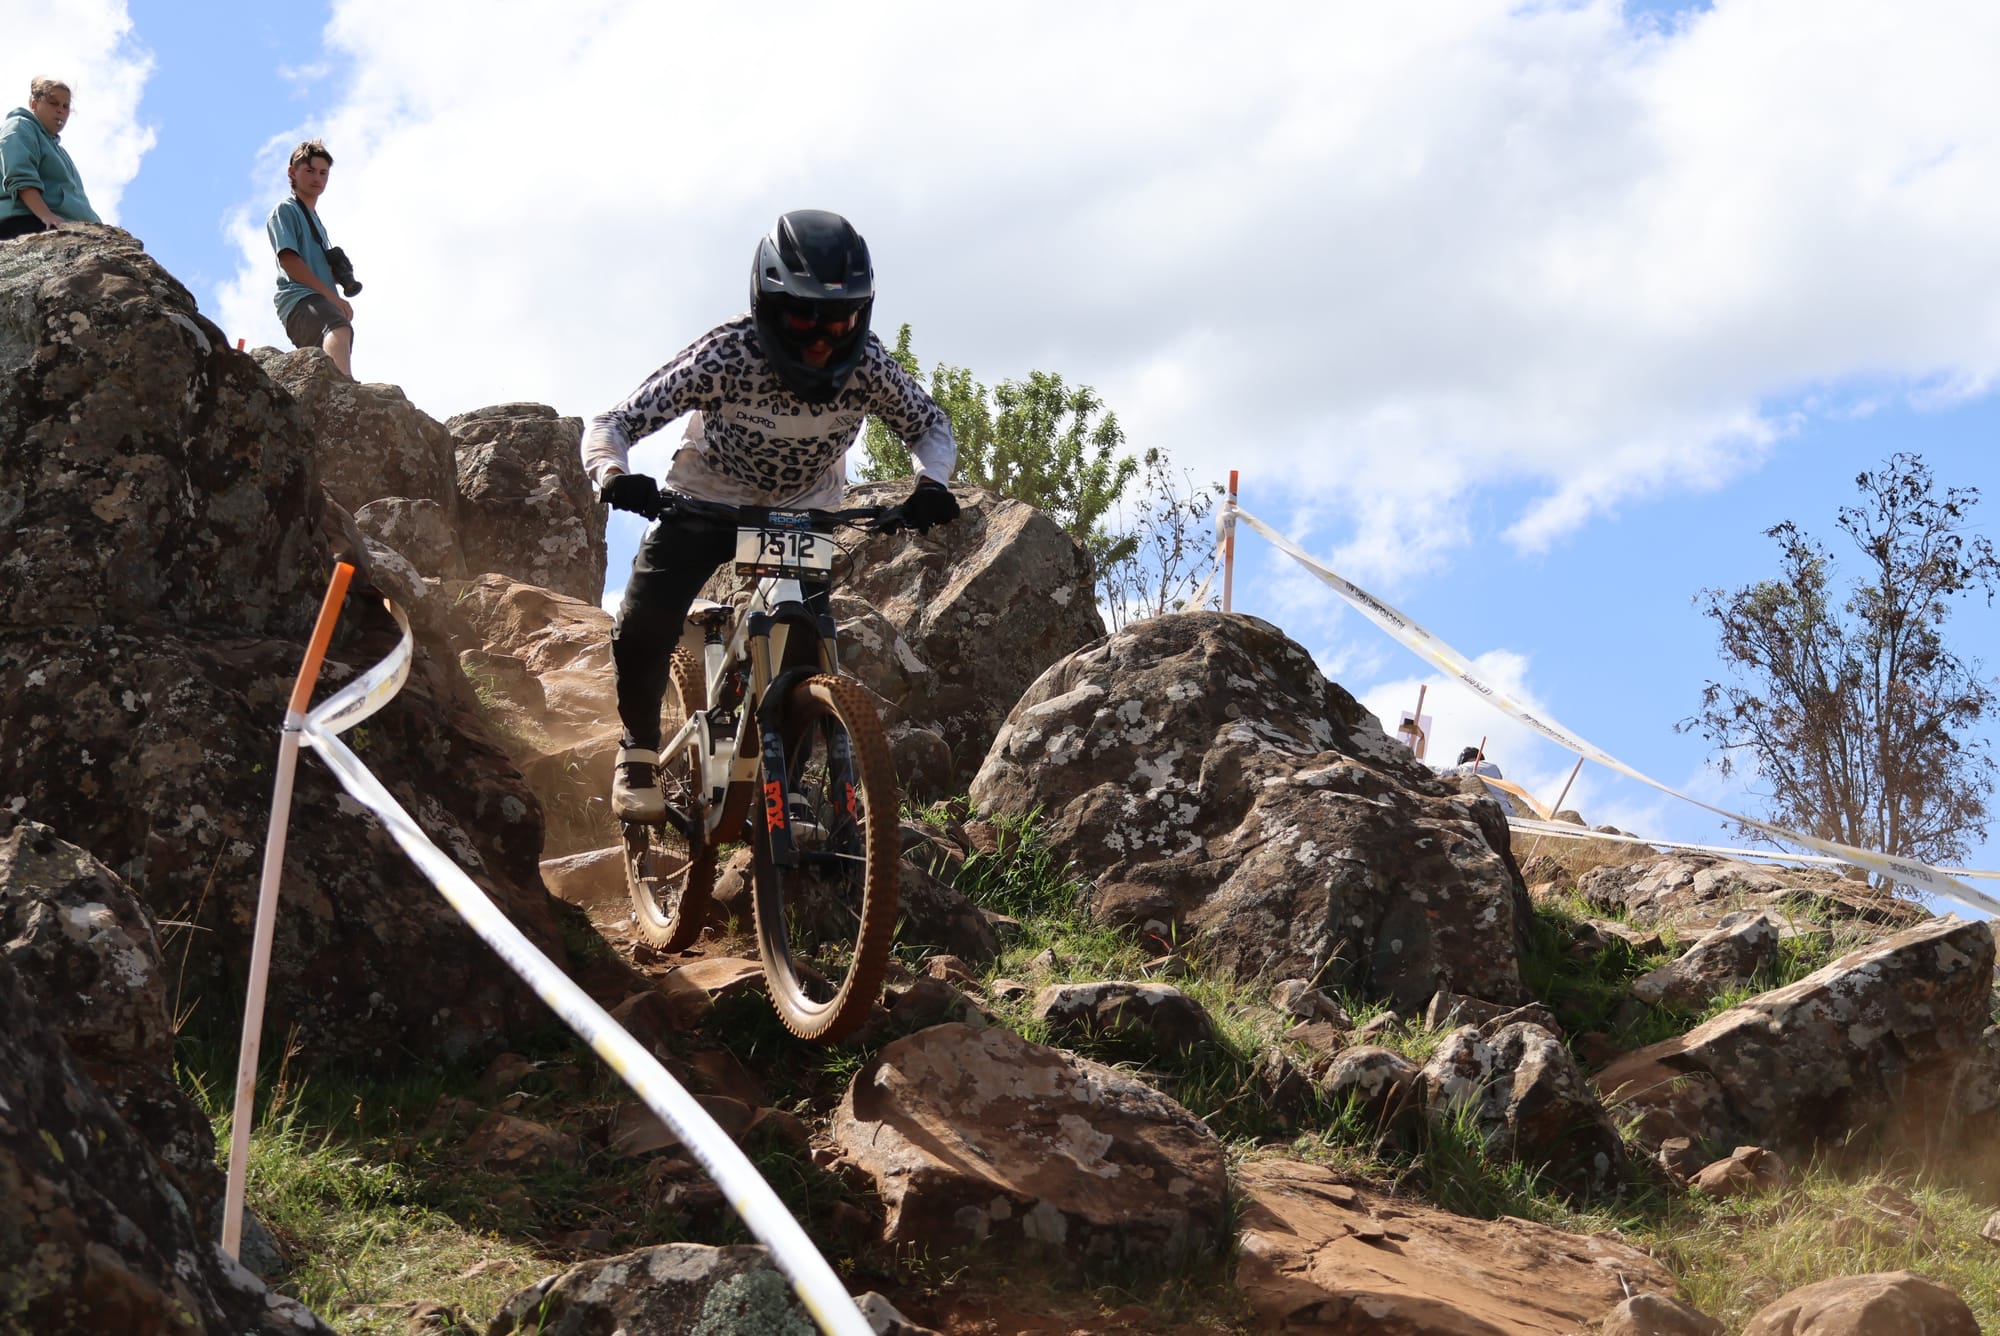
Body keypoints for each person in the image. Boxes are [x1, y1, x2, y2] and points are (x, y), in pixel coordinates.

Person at [584, 209, 960, 821]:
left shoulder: (869, 366)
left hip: (802, 506)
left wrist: (931, 483)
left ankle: (789, 786)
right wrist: (616, 476)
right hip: (707, 495)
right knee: (645, 619)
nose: (820, 339)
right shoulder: (727, 355)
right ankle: (639, 752)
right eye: (803, 316)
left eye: (838, 319)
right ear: (766, 302)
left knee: (805, 645)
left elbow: (930, 426)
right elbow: (615, 422)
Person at [266, 140, 355, 377]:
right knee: (338, 327)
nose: (317, 178)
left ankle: (333, 390)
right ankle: (345, 388)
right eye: (309, 170)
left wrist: (335, 274)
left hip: (317, 299)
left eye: (323, 172)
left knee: (337, 338)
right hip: (299, 299)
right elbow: (289, 260)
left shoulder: (318, 224)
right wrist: (331, 297)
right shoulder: (285, 210)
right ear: (292, 172)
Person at [0, 77, 100, 239]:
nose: (60, 110)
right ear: (34, 103)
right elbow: (20, 177)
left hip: (65, 225)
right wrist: (46, 215)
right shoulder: (19, 126)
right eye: (53, 103)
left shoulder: (61, 152)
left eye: (66, 106)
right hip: (28, 222)